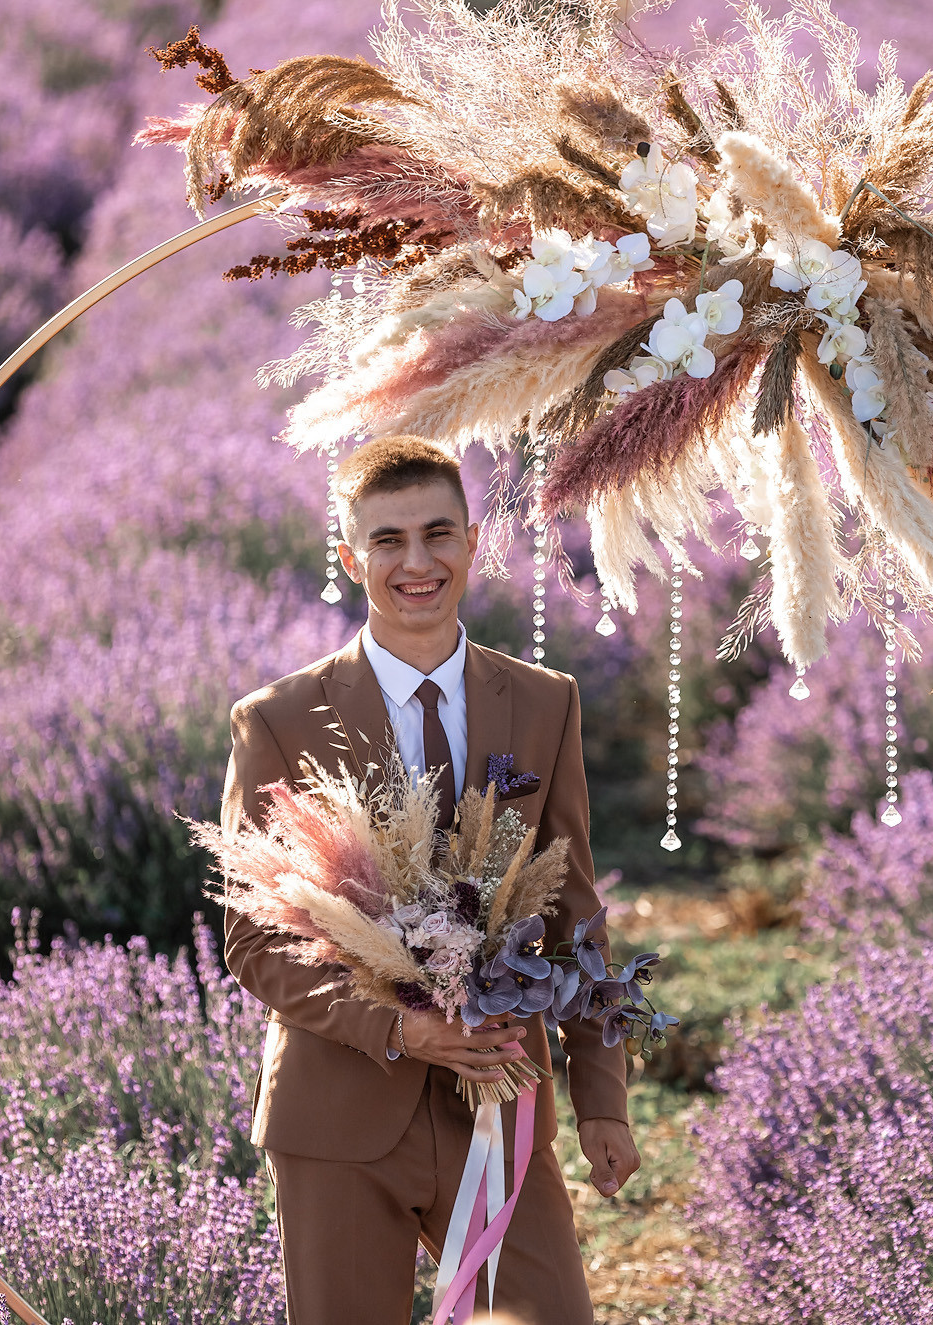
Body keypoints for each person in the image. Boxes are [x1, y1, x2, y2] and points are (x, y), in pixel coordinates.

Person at [218, 436, 638, 1325]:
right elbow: (255, 943)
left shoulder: (544, 700)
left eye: (438, 533)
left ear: (475, 541)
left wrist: (604, 1098)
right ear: (349, 556)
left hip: (499, 1099)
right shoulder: (278, 721)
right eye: (388, 540)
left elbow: (575, 914)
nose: (417, 562)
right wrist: (400, 1028)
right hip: (340, 1112)